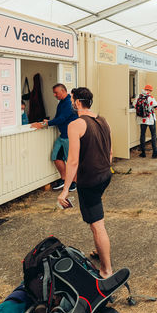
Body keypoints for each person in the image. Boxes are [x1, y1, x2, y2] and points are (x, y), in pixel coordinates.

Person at [58, 87, 115, 278]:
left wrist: (65, 190)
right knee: (97, 215)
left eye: (72, 99)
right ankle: (100, 251)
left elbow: (72, 160)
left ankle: (106, 270)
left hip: (89, 181)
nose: (72, 103)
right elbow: (110, 151)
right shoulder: (103, 120)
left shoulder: (76, 125)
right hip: (105, 175)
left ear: (77, 102)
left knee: (97, 225)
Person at [31, 83, 78, 192]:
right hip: (63, 136)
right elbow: (58, 118)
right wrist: (49, 121)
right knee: (56, 157)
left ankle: (74, 182)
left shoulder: (69, 102)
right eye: (54, 93)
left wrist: (44, 124)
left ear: (63, 91)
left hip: (70, 136)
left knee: (71, 161)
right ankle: (64, 178)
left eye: (56, 92)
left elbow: (62, 119)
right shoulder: (61, 103)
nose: (54, 95)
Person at [136, 84, 157, 158]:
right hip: (150, 118)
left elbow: (134, 105)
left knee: (142, 134)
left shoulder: (138, 96)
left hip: (142, 119)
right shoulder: (150, 97)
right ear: (149, 90)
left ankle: (143, 153)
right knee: (153, 135)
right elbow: (156, 106)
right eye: (150, 90)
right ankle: (155, 152)